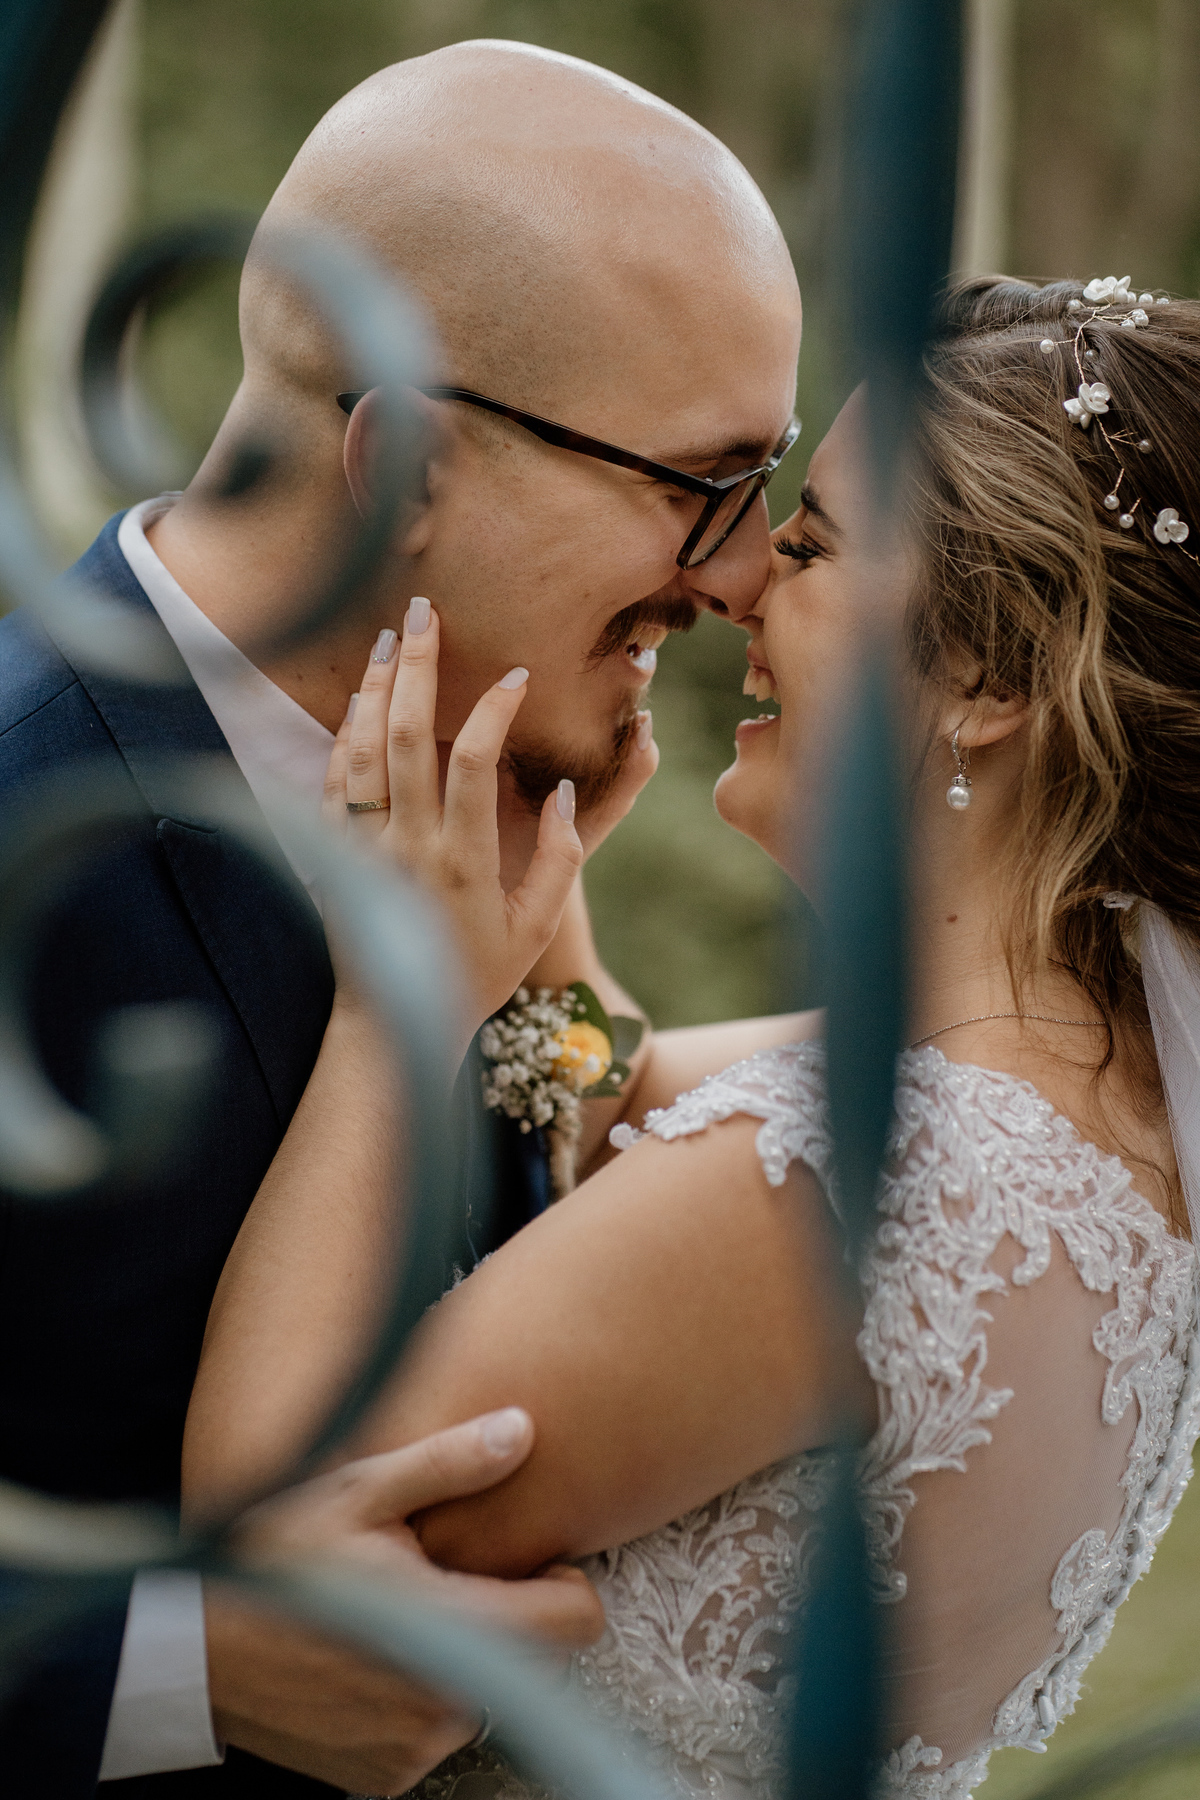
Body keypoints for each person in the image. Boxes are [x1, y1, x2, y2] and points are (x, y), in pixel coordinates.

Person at [185, 275, 1200, 1799]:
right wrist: (544, 901)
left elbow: (279, 1536)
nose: (739, 588)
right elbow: (625, 1091)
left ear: (988, 676)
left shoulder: (869, 1178)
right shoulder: (1081, 1097)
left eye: (812, 544)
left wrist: (395, 1008)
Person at [0, 38, 802, 1800]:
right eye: (705, 482)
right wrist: (176, 1667)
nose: (743, 575)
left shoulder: (472, 788)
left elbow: (570, 1107)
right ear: (413, 464)